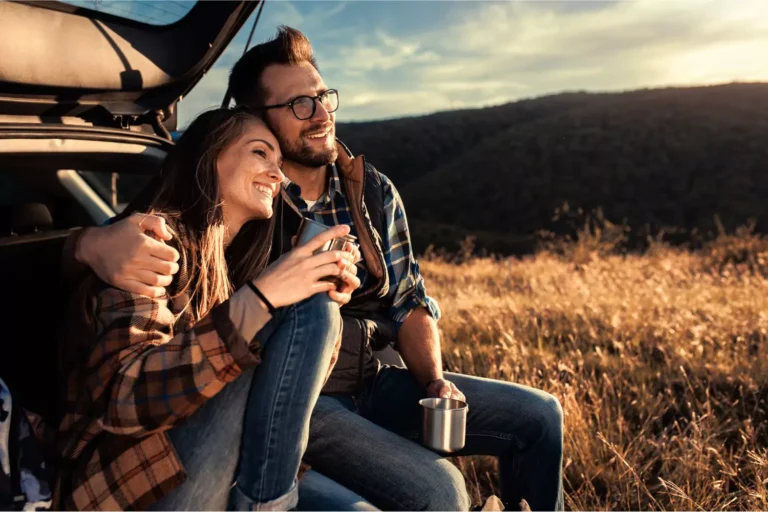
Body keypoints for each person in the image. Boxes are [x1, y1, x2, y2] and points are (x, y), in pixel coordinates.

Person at [65, 27, 564, 511]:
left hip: (369, 375)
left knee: (540, 416)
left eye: (322, 96)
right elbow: (166, 262)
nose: (321, 113)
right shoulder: (231, 219)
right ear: (246, 123)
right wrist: (85, 243)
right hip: (286, 401)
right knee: (443, 492)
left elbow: (409, 300)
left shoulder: (368, 192)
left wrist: (431, 381)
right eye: (299, 104)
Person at [54, 107, 367, 511]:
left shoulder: (234, 264)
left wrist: (326, 303)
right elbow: (122, 398)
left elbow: (290, 390)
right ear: (209, 157)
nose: (279, 174)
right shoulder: (153, 245)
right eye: (260, 153)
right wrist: (261, 300)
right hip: (130, 483)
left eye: (279, 162)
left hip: (226, 466)